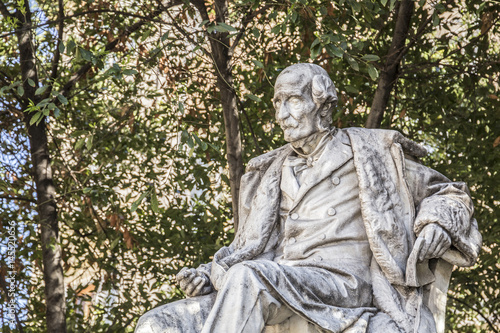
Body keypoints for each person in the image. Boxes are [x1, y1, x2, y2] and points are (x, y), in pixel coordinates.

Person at [135, 63, 481, 333]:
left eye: (293, 100)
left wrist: (437, 222)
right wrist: (210, 275)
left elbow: (450, 194)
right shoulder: (267, 172)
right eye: (277, 103)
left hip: (342, 282)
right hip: (281, 282)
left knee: (247, 278)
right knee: (158, 324)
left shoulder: (372, 153)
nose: (282, 115)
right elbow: (251, 248)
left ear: (322, 104)